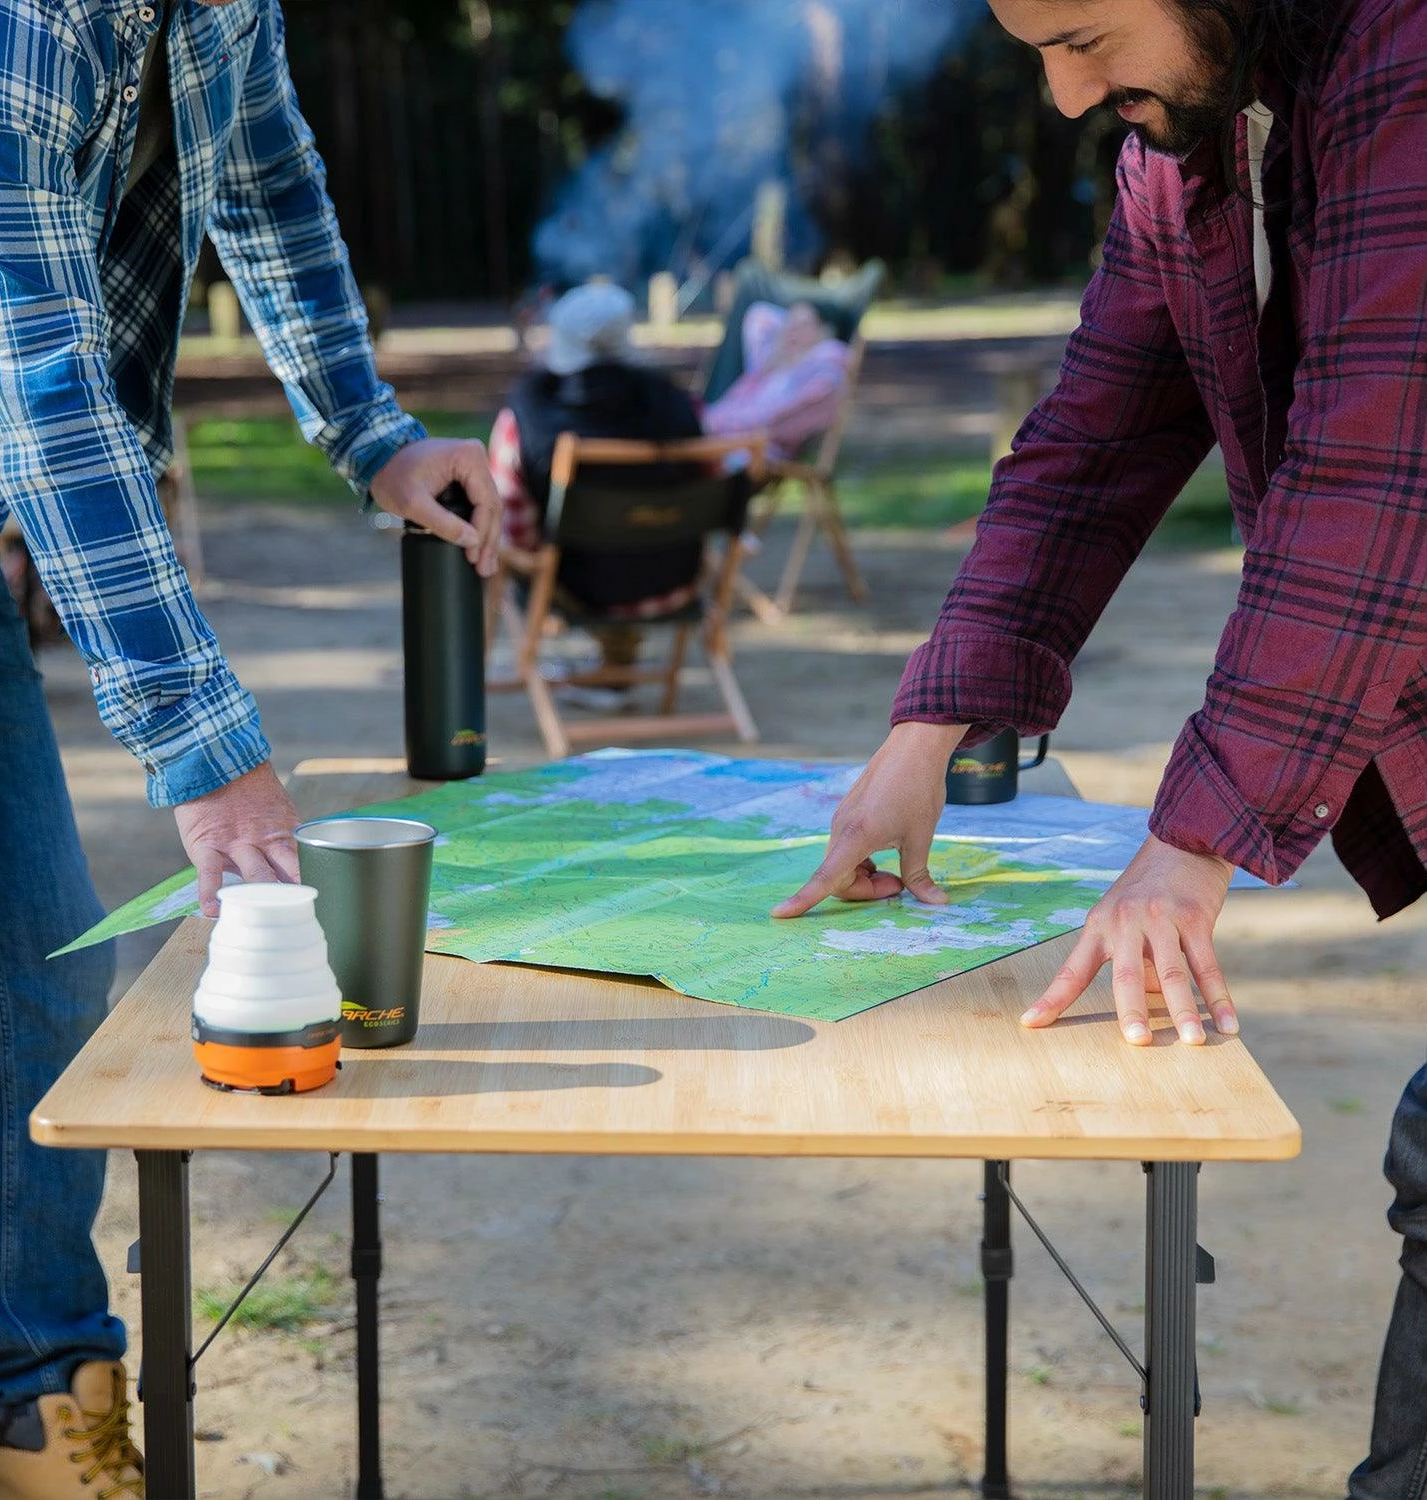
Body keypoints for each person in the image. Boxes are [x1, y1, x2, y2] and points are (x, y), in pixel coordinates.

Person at [773, 0, 1425, 1491]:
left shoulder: (1408, 55)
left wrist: (1187, 849)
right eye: (1036, 52)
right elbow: (1090, 441)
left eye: (1082, 36)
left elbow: (1379, 471)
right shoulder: (1191, 127)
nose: (1068, 97)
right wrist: (923, 731)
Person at [0, 3, 501, 1496]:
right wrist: (201, 740)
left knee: (41, 973)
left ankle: (43, 1419)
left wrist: (369, 431)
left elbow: (266, 176)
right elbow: (37, 369)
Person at [488, 282, 705, 700]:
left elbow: (515, 525)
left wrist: (524, 560)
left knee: (492, 546)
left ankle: (600, 669)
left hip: (575, 590)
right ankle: (615, 667)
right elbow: (708, 482)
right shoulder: (680, 405)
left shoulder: (526, 416)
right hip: (676, 582)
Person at [702, 300, 852, 459]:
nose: (792, 331)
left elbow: (775, 423)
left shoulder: (825, 373)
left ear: (824, 331)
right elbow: (759, 314)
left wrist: (715, 423)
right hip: (720, 436)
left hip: (749, 450)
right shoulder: (772, 366)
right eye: (789, 323)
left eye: (803, 325)